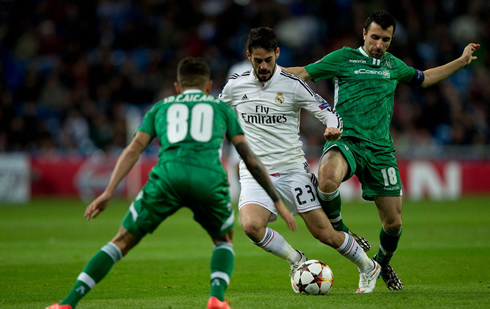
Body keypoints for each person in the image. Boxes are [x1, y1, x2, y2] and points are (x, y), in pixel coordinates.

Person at [46, 57, 297, 309]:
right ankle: (216, 299)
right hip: (207, 178)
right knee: (223, 240)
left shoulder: (160, 107)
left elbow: (134, 148)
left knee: (121, 241)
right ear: (209, 86)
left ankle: (68, 303)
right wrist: (276, 200)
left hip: (167, 177)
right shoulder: (221, 109)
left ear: (178, 87)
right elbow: (249, 157)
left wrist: (108, 191)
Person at [283, 10, 480, 291]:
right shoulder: (343, 58)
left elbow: (423, 78)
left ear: (390, 40)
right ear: (364, 34)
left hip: (380, 151)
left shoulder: (393, 65)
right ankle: (341, 230)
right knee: (326, 178)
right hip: (346, 140)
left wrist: (461, 62)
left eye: (385, 40)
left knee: (394, 223)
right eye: (374, 37)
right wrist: (263, 74)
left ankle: (381, 264)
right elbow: (302, 73)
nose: (379, 45)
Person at [219, 27, 381, 294]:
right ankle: (296, 260)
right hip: (255, 173)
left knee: (325, 234)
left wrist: (331, 127)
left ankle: (367, 267)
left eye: (268, 60)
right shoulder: (236, 86)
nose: (263, 66)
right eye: (257, 60)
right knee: (250, 225)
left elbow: (328, 112)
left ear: (277, 54)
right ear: (248, 55)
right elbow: (218, 114)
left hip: (292, 171)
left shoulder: (292, 85)